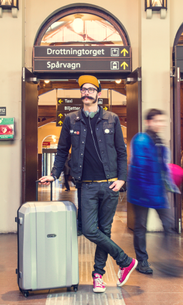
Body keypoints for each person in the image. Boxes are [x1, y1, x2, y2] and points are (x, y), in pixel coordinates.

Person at [39, 75, 137, 293]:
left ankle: (98, 275)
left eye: (91, 89)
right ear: (80, 94)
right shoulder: (71, 119)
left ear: (98, 94)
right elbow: (62, 150)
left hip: (111, 184)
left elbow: (122, 153)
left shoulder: (112, 119)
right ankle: (124, 260)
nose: (87, 92)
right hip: (87, 185)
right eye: (83, 89)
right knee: (89, 229)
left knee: (104, 230)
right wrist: (54, 175)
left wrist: (122, 179)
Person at [127, 109, 180, 275]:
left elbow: (162, 167)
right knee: (140, 226)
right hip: (142, 192)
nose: (160, 124)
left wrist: (169, 183)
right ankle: (142, 260)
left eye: (162, 121)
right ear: (149, 122)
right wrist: (149, 193)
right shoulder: (141, 139)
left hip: (158, 191)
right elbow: (140, 168)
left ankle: (168, 260)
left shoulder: (159, 141)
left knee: (169, 224)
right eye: (157, 121)